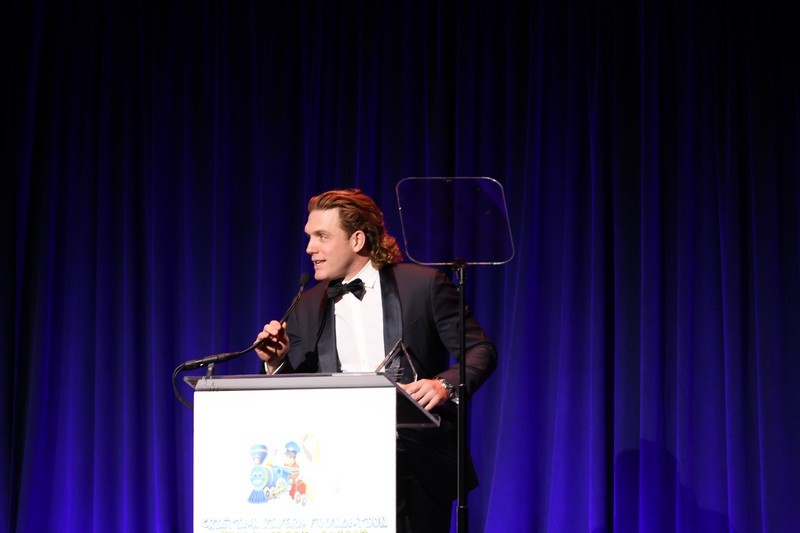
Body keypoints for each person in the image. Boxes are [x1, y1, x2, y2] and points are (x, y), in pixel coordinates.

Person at [255, 188, 497, 531]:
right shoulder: (306, 307)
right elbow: (296, 395)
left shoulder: (422, 286)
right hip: (337, 471)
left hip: (416, 467)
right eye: (309, 237)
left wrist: (444, 385)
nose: (309, 248)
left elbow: (480, 350)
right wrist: (276, 362)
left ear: (357, 239)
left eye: (322, 236)